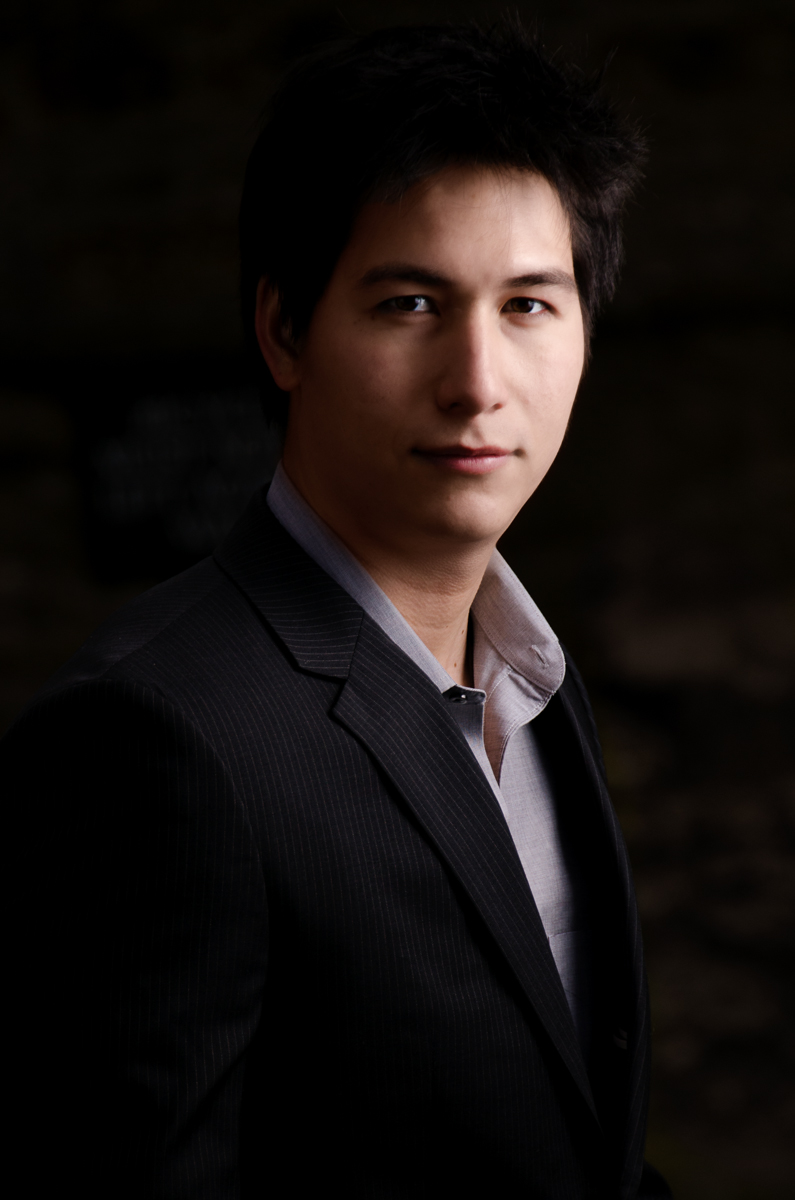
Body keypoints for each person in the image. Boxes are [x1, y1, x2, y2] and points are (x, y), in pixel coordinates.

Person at [4, 20, 672, 1200]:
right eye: (411, 303)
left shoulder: (532, 681)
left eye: (528, 305)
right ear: (283, 331)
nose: (477, 382)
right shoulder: (152, 737)